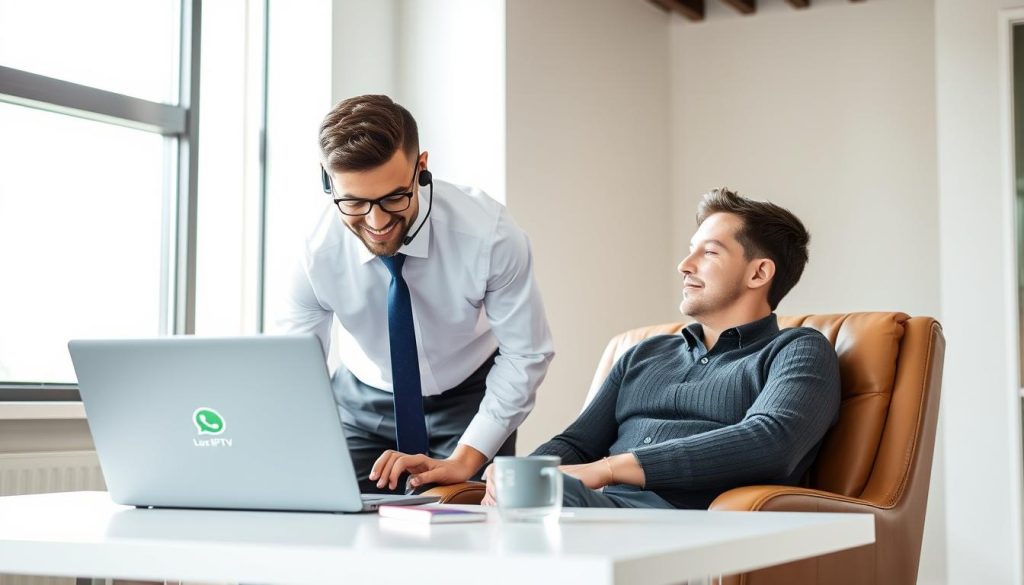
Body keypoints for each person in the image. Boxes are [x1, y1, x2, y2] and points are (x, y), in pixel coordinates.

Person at [482, 188, 841, 509]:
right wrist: (516, 476)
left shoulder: (798, 350)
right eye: (690, 251)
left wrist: (608, 469)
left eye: (710, 252)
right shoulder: (645, 353)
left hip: (672, 520)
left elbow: (771, 443)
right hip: (595, 506)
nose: (684, 266)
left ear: (759, 273)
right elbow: (577, 444)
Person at [279, 95, 554, 494]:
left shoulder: (488, 235)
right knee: (340, 524)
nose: (376, 222)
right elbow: (295, 369)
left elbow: (526, 352)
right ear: (327, 180)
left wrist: (466, 459)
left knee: (463, 529)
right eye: (354, 202)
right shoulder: (315, 252)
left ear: (420, 168)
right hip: (362, 401)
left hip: (470, 398)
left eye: (394, 197)